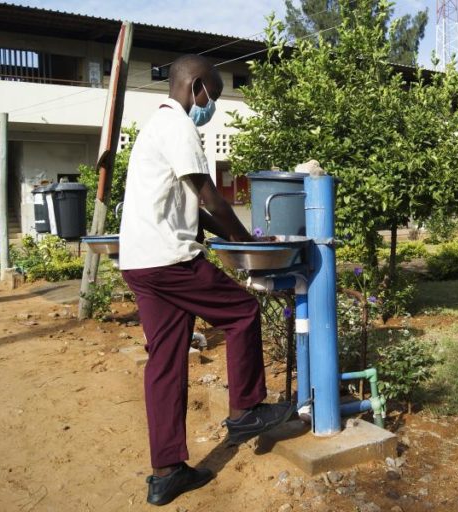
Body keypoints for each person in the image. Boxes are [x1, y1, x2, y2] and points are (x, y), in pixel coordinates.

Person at [119, 54, 293, 507]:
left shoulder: (153, 127)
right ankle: (246, 410)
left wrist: (243, 237)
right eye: (211, 96)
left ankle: (167, 472)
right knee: (242, 311)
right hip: (169, 259)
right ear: (195, 87)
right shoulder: (178, 125)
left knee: (165, 361)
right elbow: (210, 197)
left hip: (140, 262)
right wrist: (248, 245)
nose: (210, 105)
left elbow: (195, 209)